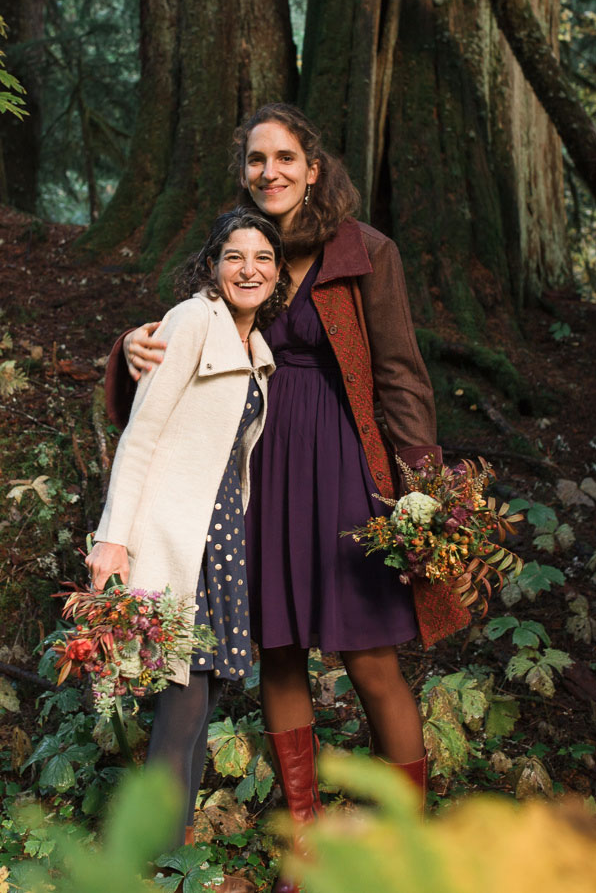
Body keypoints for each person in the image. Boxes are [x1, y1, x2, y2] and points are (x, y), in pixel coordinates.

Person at [105, 105, 470, 892]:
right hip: (256, 470)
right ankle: (304, 846)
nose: (268, 172)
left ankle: (403, 842)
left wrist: (425, 488)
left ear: (313, 166)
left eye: (284, 158)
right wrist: (126, 347)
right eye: (255, 160)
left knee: (370, 655)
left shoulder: (365, 251)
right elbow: (184, 340)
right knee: (279, 651)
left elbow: (401, 376)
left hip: (344, 468)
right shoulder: (245, 248)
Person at [87, 207, 285, 891]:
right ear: (213, 265)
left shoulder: (259, 350)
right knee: (182, 701)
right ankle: (150, 860)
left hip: (223, 539)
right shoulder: (192, 321)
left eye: (263, 257)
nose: (249, 268)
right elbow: (141, 435)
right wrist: (113, 539)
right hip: (177, 538)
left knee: (198, 702)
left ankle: (172, 849)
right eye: (235, 256)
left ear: (278, 274)